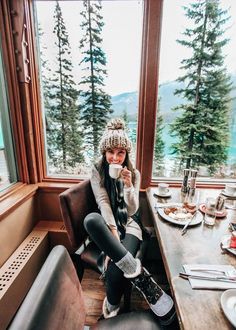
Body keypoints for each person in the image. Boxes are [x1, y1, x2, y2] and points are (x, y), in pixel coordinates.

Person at [84, 118, 176, 326]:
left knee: (116, 270)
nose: (115, 158)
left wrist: (128, 186)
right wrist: (113, 233)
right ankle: (140, 275)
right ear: (104, 151)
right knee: (92, 220)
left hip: (131, 224)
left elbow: (133, 210)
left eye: (121, 153)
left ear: (127, 154)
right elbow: (103, 202)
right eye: (111, 152)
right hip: (108, 226)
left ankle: (112, 309)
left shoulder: (133, 173)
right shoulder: (97, 171)